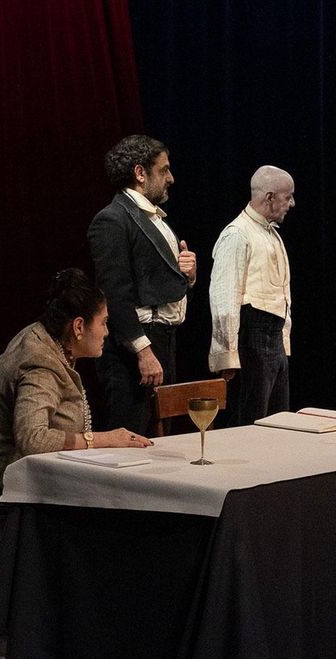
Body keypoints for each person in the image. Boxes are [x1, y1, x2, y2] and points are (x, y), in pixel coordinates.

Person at [0, 269, 152, 534]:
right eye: (103, 323)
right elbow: (32, 439)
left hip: (31, 488)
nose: (106, 332)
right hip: (14, 500)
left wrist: (7, 402)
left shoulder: (37, 335)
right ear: (79, 326)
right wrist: (102, 439)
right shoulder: (42, 367)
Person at [89, 135, 197, 434]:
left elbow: (153, 282)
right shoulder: (112, 219)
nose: (171, 178)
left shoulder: (153, 219)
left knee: (162, 439)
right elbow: (114, 294)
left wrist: (187, 276)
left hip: (163, 339)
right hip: (133, 348)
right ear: (140, 173)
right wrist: (143, 352)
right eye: (164, 170)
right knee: (133, 438)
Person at [208, 166, 296, 426]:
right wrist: (227, 355)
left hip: (272, 339)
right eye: (287, 196)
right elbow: (224, 299)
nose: (292, 203)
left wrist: (284, 342)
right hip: (252, 338)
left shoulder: (271, 234)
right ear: (269, 197)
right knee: (251, 423)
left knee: (279, 421)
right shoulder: (237, 234)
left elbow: (282, 295)